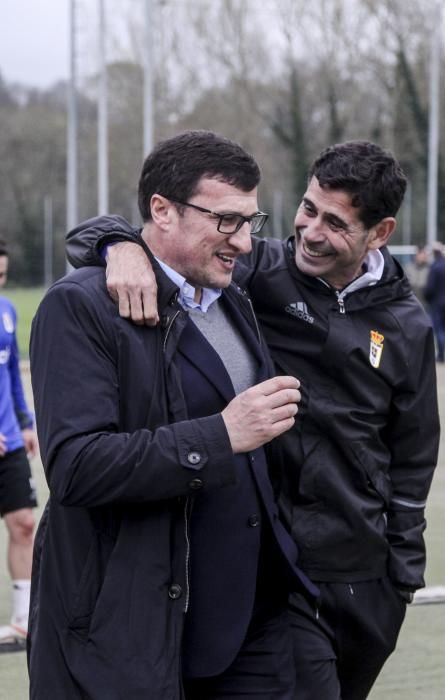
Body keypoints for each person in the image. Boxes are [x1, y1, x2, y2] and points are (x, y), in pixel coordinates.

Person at [67, 139, 440, 700]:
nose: (311, 231)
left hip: (365, 572)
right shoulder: (255, 268)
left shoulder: (408, 327)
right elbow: (149, 234)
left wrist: (402, 577)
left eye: (336, 223)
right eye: (309, 209)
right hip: (280, 567)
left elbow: (413, 456)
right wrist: (117, 244)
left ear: (379, 234)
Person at [29, 131, 318, 699]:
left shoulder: (233, 294)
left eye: (250, 222)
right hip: (136, 629)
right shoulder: (80, 305)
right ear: (161, 210)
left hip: (253, 622)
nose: (244, 242)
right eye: (226, 221)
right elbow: (75, 467)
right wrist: (222, 435)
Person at [0, 239, 38, 650]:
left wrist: (26, 423)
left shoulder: (6, 313)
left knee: (24, 523)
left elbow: (10, 375)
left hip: (9, 441)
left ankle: (25, 621)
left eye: (2, 276)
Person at [424, 242, 445, 363]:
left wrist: (428, 297)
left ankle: (441, 354)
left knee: (438, 329)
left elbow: (430, 287)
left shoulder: (435, 267)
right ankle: (443, 352)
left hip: (436, 302)